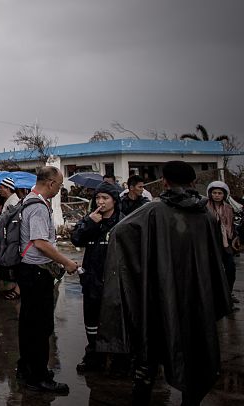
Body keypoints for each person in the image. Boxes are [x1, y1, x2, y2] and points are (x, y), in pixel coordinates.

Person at [98, 161, 233, 405]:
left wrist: (141, 269)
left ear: (164, 182)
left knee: (149, 355)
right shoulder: (205, 215)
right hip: (196, 298)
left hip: (159, 296)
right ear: (193, 183)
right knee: (195, 351)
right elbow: (216, 261)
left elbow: (119, 233)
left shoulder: (152, 211)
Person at [16, 167, 78, 394]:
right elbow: (40, 242)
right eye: (59, 185)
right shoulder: (39, 207)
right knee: (40, 327)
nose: (59, 189)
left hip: (28, 270)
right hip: (37, 272)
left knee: (28, 323)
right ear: (51, 183)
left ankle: (26, 369)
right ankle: (38, 377)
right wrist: (66, 262)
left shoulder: (27, 200)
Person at [70, 181, 124, 373]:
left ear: (114, 200)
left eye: (105, 198)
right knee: (92, 321)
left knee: (115, 322)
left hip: (114, 281)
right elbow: (76, 239)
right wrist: (90, 223)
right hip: (92, 279)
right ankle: (93, 355)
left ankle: (118, 359)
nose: (100, 202)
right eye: (98, 198)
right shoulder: (91, 219)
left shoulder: (123, 222)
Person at [206, 180, 240, 304]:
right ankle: (213, 295)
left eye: (219, 193)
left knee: (231, 268)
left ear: (224, 194)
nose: (217, 195)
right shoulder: (205, 207)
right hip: (210, 243)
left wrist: (233, 239)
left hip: (226, 243)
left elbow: (231, 225)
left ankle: (228, 293)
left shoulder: (228, 208)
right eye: (214, 192)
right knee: (213, 270)